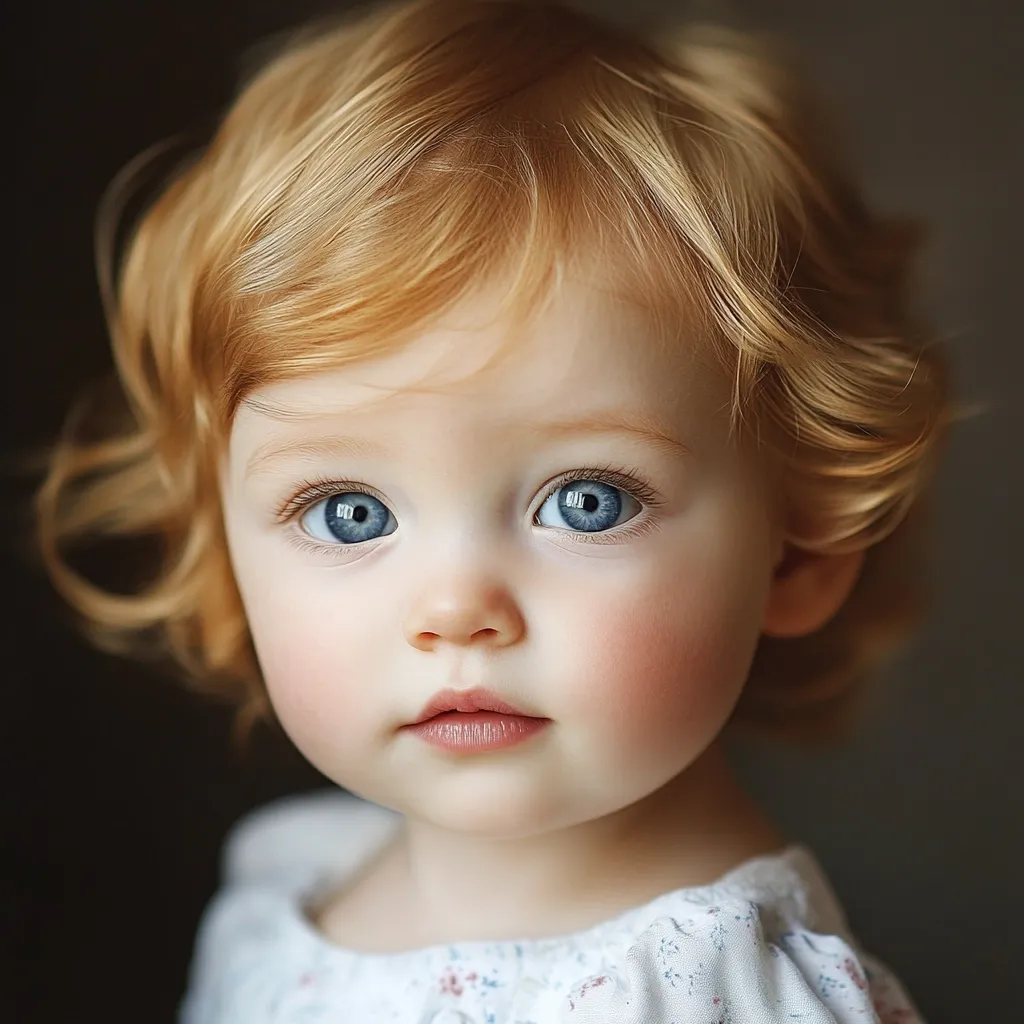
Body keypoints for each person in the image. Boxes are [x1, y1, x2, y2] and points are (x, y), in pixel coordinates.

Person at [36, 0, 951, 1019]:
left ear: (799, 551)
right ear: (228, 558)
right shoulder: (291, 885)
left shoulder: (729, 997)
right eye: (349, 512)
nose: (456, 609)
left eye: (586, 501)